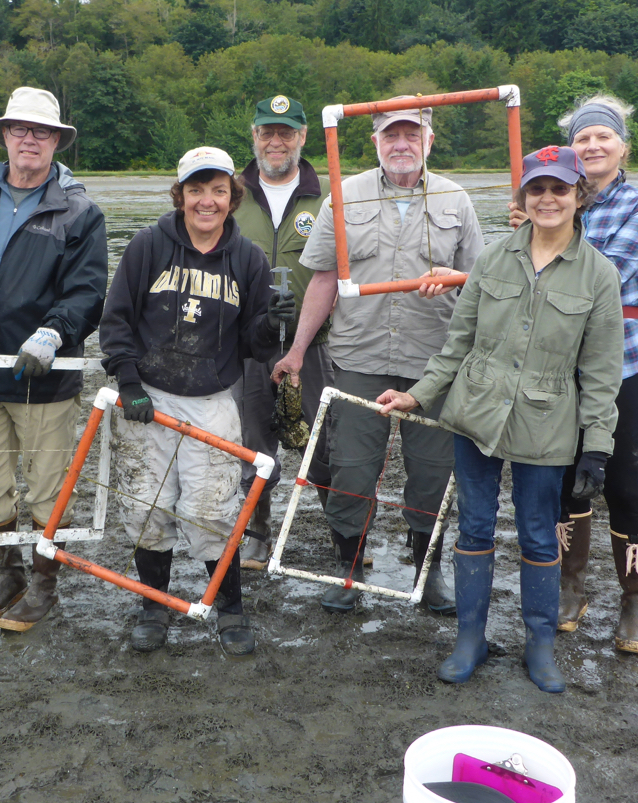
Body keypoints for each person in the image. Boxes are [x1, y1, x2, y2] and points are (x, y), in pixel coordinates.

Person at [379, 145, 623, 693]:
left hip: (547, 423)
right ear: (524, 198)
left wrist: (597, 448)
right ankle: (471, 639)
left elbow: (602, 373)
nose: (547, 199)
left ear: (578, 195)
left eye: (559, 189)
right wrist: (418, 396)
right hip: (476, 413)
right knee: (474, 525)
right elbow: (456, 344)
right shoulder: (491, 260)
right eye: (536, 189)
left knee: (539, 535)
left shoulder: (599, 276)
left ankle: (540, 645)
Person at [274, 106, 483, 614]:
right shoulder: (343, 197)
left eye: (413, 135)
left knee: (433, 472)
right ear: (376, 142)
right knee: (350, 468)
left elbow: (481, 283)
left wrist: (450, 278)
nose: (402, 145)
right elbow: (323, 278)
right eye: (392, 136)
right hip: (356, 356)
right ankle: (347, 568)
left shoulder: (457, 199)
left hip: (433, 364)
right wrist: (298, 350)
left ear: (429, 142)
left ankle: (426, 574)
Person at [99, 146, 295, 655]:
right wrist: (127, 382)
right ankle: (153, 605)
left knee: (210, 509)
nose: (206, 201)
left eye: (217, 190)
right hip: (148, 399)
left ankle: (230, 607)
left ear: (232, 198)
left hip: (212, 399)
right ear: (180, 194)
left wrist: (273, 324)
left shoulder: (248, 259)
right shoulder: (147, 246)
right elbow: (116, 319)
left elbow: (254, 346)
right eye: (195, 190)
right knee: (146, 506)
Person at [0, 87, 107, 632]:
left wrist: (53, 333)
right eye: (20, 129)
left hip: (44, 376)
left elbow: (87, 292)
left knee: (47, 488)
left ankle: (43, 584)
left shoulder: (81, 211)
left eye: (42, 131)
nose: (30, 138)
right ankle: (8, 572)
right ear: (5, 135)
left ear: (58, 140)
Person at [510, 94, 638, 654]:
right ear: (571, 151)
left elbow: (603, 273)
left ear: (623, 146)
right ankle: (571, 588)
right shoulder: (548, 205)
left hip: (621, 365)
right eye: (582, 139)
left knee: (623, 484)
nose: (593, 145)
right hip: (554, 371)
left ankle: (634, 602)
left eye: (603, 137)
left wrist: (541, 227)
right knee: (562, 481)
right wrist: (538, 224)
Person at [229, 95, 333, 569]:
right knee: (252, 442)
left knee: (325, 439)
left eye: (286, 132)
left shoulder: (330, 196)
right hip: (247, 344)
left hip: (312, 342)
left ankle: (344, 532)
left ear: (303, 137)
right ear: (253, 136)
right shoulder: (229, 194)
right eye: (267, 132)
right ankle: (257, 533)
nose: (276, 141)